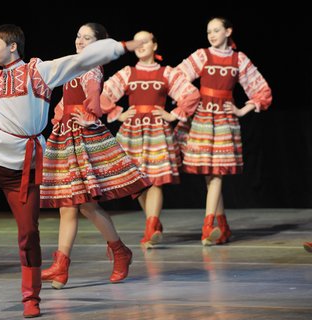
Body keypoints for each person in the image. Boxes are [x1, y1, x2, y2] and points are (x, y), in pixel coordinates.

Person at [0, 24, 146, 318]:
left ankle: (31, 299)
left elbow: (83, 60)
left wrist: (124, 46)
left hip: (25, 169)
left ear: (13, 46)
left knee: (29, 234)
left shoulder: (39, 71)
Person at [39, 23, 150, 290]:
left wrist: (90, 113)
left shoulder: (91, 66)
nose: (80, 41)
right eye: (78, 36)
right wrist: (61, 113)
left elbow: (92, 91)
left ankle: (119, 251)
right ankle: (61, 265)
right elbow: (64, 95)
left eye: (87, 38)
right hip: (66, 135)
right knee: (68, 204)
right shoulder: (73, 64)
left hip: (83, 137)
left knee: (86, 205)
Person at [174, 17, 272, 245]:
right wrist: (189, 100)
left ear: (228, 31)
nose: (212, 34)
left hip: (224, 120)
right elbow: (176, 77)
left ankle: (208, 227)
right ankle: (223, 227)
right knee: (210, 175)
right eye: (209, 31)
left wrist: (242, 110)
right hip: (202, 118)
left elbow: (261, 90)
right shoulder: (202, 55)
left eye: (216, 30)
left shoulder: (239, 59)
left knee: (216, 173)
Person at [100, 30, 201, 248]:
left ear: (155, 45)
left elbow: (191, 94)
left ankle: (151, 227)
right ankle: (152, 223)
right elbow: (103, 94)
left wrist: (173, 115)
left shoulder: (167, 73)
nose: (141, 45)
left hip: (156, 131)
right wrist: (117, 113)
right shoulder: (128, 72)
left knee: (155, 180)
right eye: (138, 42)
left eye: (146, 41)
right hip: (132, 132)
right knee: (139, 183)